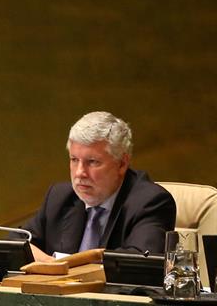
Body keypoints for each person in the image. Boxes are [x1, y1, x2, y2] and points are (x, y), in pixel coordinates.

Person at [26, 111, 175, 262]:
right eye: (74, 159)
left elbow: (138, 263)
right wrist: (51, 265)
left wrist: (64, 267)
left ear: (122, 163)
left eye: (92, 162)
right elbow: (17, 244)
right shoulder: (59, 196)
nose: (80, 173)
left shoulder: (151, 202)